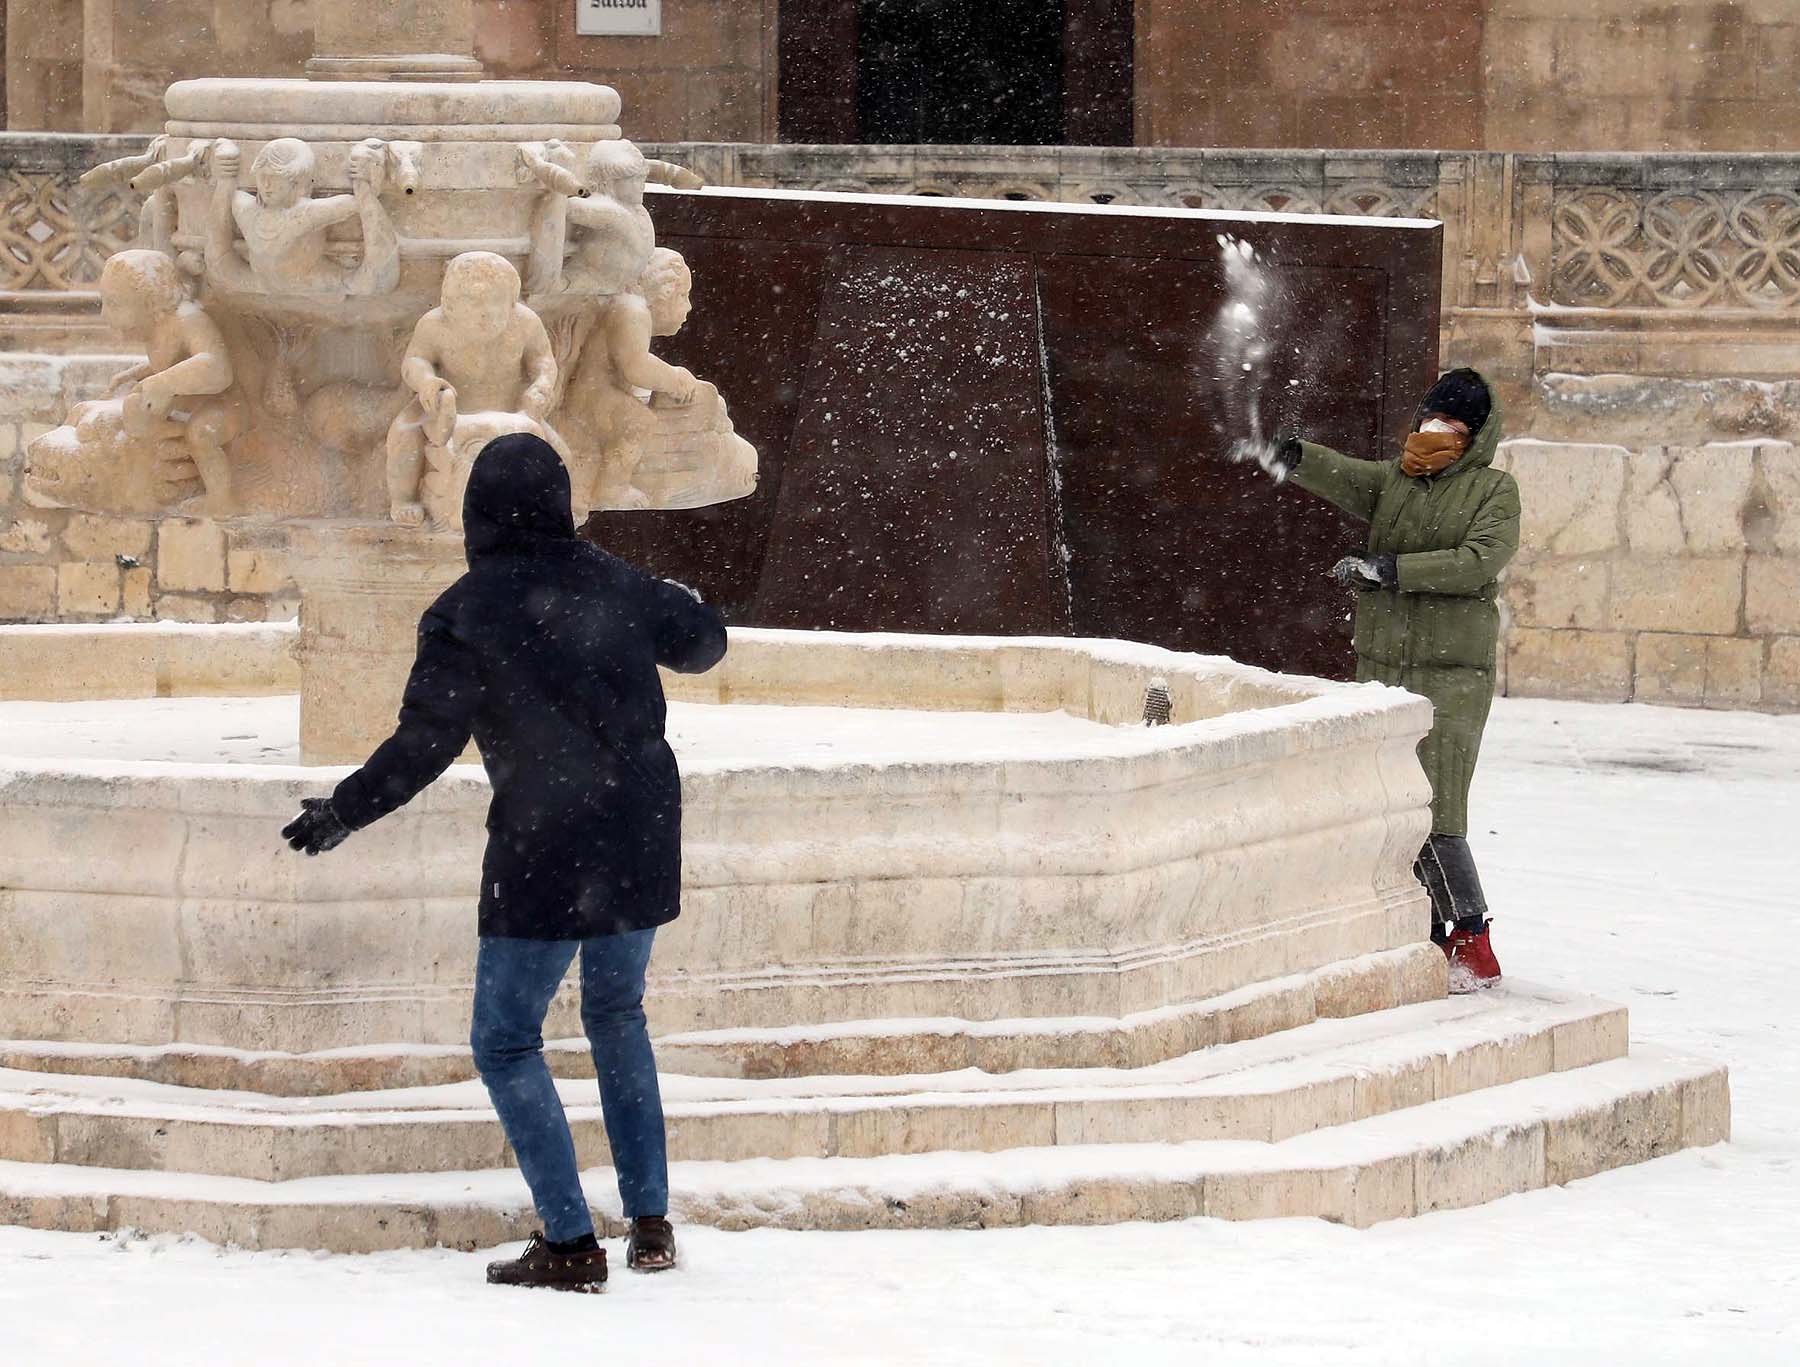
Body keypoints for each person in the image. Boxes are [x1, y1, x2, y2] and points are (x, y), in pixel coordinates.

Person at [281, 432, 728, 1292]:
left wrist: (345, 809)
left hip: (545, 842)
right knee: (617, 1013)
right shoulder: (618, 582)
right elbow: (703, 644)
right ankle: (650, 1223)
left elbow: (424, 744)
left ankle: (568, 1240)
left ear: (475, 511)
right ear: (561, 502)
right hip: (638, 830)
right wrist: (678, 597)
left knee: (505, 1039)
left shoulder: (466, 610)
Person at [1239, 368, 1519, 992]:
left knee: (1437, 807)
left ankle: (1472, 939)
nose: (1434, 433)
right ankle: (1420, 932)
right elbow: (1343, 474)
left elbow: (1479, 561)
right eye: (1429, 420)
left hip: (1451, 675)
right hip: (1384, 672)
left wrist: (1392, 570)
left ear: (1475, 436)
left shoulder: (1494, 492)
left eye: (1451, 425)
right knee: (1388, 801)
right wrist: (1292, 454)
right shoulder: (1396, 482)